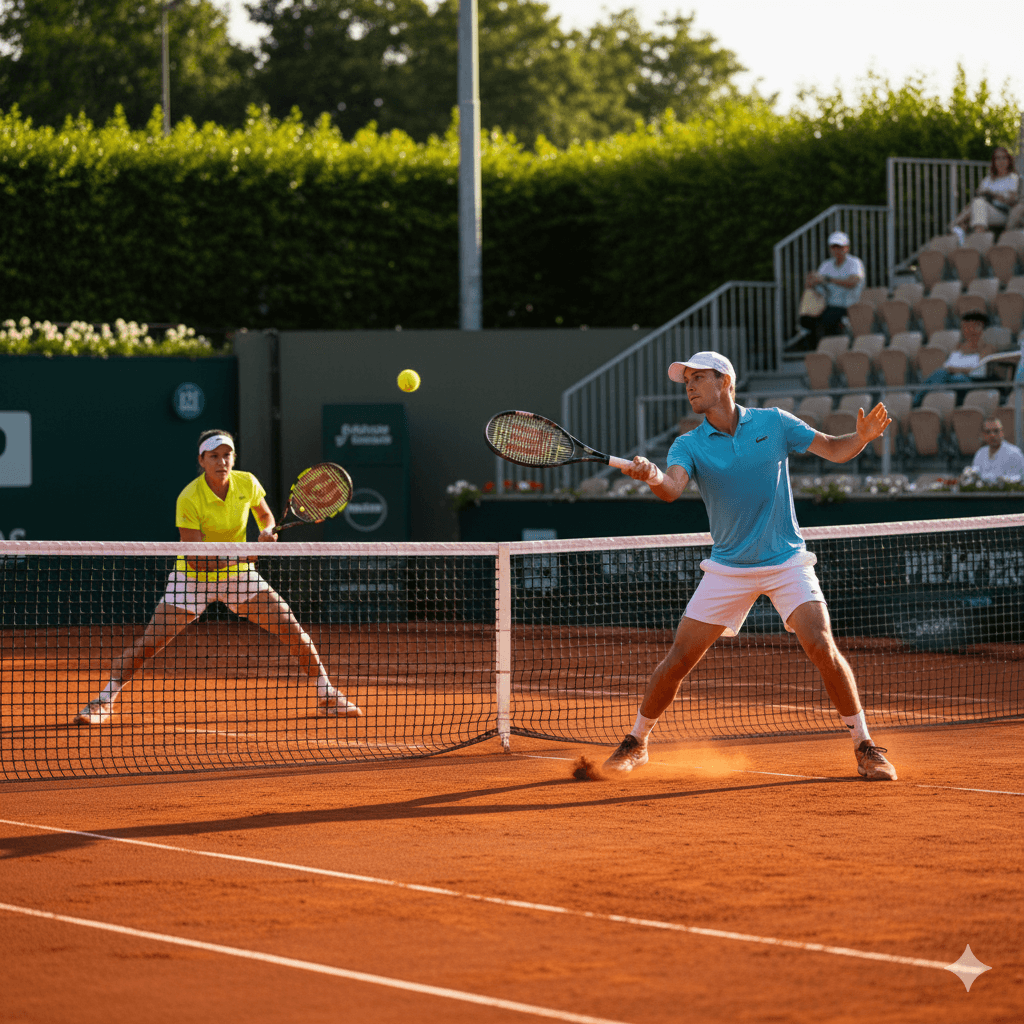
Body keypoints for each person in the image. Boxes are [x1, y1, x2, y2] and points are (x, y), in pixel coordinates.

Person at [602, 351, 898, 781]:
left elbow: (834, 449)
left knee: (821, 646)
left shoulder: (775, 422)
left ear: (724, 381)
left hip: (786, 561)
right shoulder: (688, 443)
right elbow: (671, 488)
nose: (689, 386)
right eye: (686, 380)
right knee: (680, 658)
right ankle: (637, 741)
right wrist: (651, 476)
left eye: (698, 378)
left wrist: (862, 437)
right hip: (728, 568)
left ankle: (865, 746)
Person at [73, 430, 362, 725]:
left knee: (291, 628)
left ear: (233, 458)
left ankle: (327, 694)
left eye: (227, 455)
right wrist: (242, 555)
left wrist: (266, 530)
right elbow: (197, 561)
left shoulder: (247, 482)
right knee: (149, 643)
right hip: (191, 581)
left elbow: (265, 516)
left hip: (238, 577)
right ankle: (103, 701)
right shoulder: (189, 498)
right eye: (214, 456)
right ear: (202, 460)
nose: (222, 461)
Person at [799, 231, 865, 348]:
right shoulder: (826, 265)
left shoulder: (855, 263)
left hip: (849, 305)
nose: (836, 250)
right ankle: (818, 348)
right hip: (828, 305)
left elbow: (853, 282)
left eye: (839, 247)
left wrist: (828, 279)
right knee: (806, 319)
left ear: (846, 248)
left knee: (827, 319)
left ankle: (828, 349)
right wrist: (811, 281)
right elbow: (815, 284)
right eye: (834, 247)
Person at [912, 310, 991, 406]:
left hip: (972, 380)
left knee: (944, 375)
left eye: (969, 327)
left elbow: (977, 369)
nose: (965, 330)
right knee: (940, 373)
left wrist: (954, 369)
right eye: (964, 327)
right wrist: (952, 369)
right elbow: (948, 365)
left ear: (980, 327)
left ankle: (918, 402)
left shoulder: (986, 348)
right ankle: (924, 401)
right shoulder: (959, 346)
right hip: (951, 377)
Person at [951, 146, 1022, 239]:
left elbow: (1012, 201)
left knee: (978, 205)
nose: (1001, 161)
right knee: (978, 204)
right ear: (994, 161)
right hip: (982, 210)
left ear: (1009, 160)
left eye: (1004, 158)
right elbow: (978, 197)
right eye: (997, 158)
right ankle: (976, 235)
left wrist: (993, 195)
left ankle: (957, 226)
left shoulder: (1013, 178)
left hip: (1002, 213)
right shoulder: (988, 179)